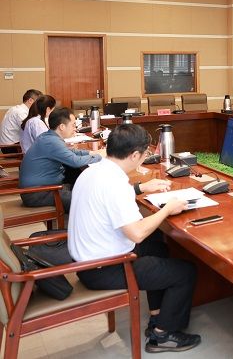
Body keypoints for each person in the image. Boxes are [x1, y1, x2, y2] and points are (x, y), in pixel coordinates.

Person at [68, 124, 201, 353]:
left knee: (156, 245)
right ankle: (163, 335)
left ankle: (157, 315)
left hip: (88, 260)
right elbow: (137, 232)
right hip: (105, 268)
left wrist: (141, 187)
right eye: (145, 153)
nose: (145, 157)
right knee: (185, 272)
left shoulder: (95, 171)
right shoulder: (115, 183)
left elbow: (109, 200)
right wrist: (167, 209)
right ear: (135, 155)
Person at [18, 107, 102, 210]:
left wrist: (90, 152)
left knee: (81, 184)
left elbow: (70, 152)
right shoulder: (52, 142)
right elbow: (75, 161)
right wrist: (98, 157)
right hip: (37, 193)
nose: (75, 128)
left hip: (43, 187)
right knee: (87, 201)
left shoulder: (48, 136)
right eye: (73, 125)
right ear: (62, 127)